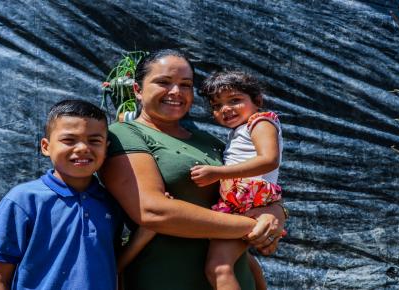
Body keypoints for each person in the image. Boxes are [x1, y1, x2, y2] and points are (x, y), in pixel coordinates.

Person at [101, 49, 287, 290]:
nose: (176, 92)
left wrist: (276, 214)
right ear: (137, 90)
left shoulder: (209, 141)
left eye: (185, 84)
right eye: (163, 82)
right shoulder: (124, 134)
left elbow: (249, 188)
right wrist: (255, 227)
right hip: (168, 278)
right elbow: (153, 211)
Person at [0, 99, 121, 290]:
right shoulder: (23, 200)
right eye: (69, 140)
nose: (82, 148)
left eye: (94, 141)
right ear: (46, 146)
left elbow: (115, 264)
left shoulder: (111, 201)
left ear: (106, 148)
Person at [191, 70, 285, 290]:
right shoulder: (239, 130)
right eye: (217, 106)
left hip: (246, 200)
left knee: (218, 267)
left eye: (235, 100)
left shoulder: (261, 122)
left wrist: (217, 173)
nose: (225, 109)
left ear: (258, 100)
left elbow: (269, 160)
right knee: (241, 258)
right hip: (240, 199)